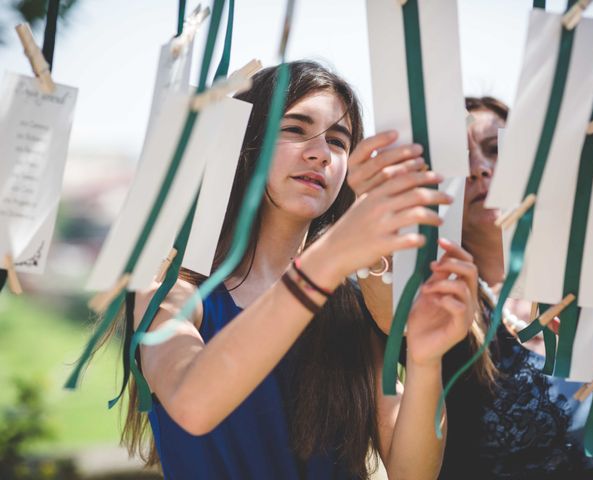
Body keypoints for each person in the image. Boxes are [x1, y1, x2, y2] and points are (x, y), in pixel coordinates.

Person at [119, 61, 479, 480]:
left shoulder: (352, 305)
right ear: (249, 142)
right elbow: (193, 404)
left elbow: (411, 472)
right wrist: (330, 258)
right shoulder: (171, 288)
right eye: (295, 128)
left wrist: (423, 360)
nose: (320, 153)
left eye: (338, 141)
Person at [356, 96, 593, 479]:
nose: (478, 169)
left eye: (494, 149)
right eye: (457, 158)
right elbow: (388, 309)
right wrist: (371, 211)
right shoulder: (440, 303)